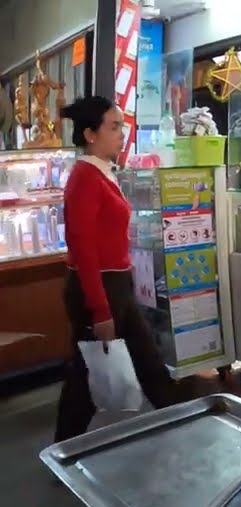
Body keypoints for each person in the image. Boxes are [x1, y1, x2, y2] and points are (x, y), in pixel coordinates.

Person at [54, 96, 182, 441]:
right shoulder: (84, 177)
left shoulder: (103, 173)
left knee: (147, 361)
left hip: (115, 285)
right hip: (96, 287)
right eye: (113, 127)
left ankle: (184, 420)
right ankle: (62, 447)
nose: (121, 134)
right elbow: (82, 248)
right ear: (90, 134)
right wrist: (100, 309)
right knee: (87, 371)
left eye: (121, 126)